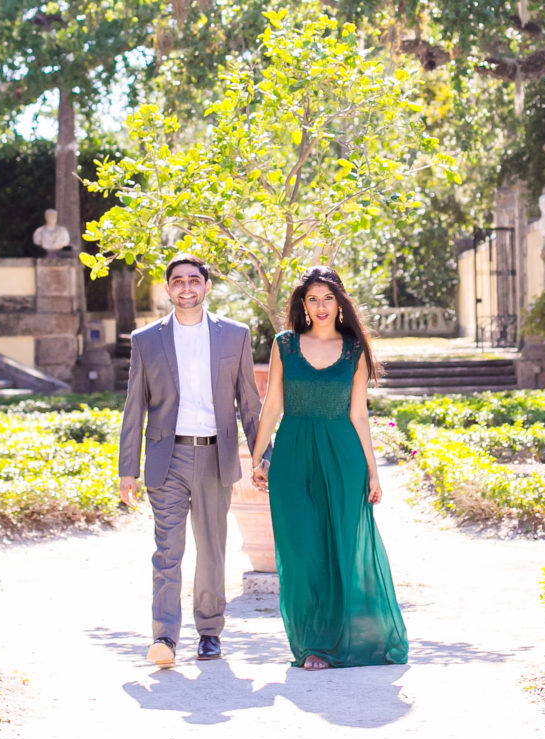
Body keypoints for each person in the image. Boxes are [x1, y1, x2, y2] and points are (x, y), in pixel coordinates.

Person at [249, 266, 408, 669]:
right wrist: (257, 456)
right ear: (303, 305)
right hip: (293, 454)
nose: (320, 307)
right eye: (312, 299)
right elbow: (272, 405)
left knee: (342, 545)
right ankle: (312, 643)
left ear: (340, 304)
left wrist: (373, 471)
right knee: (301, 550)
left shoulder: (355, 349)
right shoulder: (285, 344)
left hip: (342, 454)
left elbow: (359, 414)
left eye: (328, 298)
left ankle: (342, 640)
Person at [118, 254, 262, 668]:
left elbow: (249, 404)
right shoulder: (146, 340)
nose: (186, 287)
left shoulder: (234, 336)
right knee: (168, 549)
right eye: (177, 281)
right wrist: (127, 469)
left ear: (206, 287)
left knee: (213, 549)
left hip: (217, 454)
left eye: (193, 280)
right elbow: (134, 408)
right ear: (168, 289)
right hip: (168, 455)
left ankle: (210, 632)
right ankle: (164, 636)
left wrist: (260, 457)